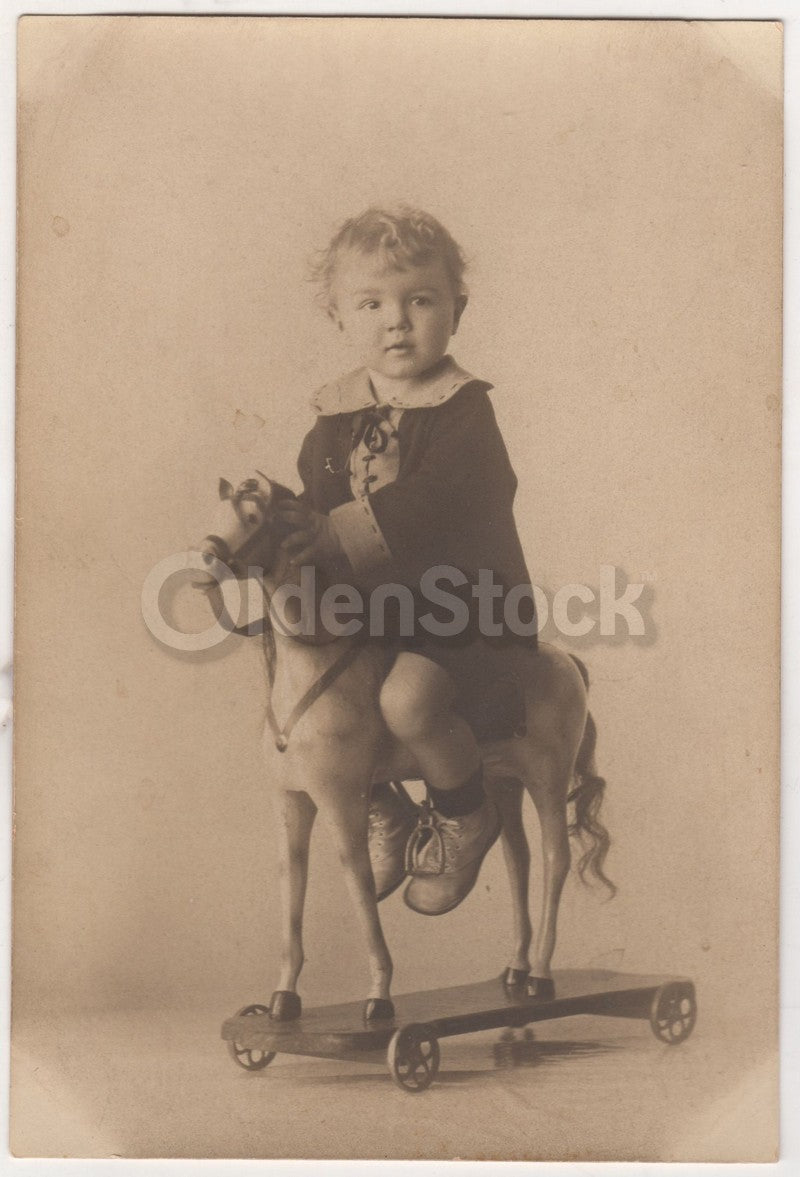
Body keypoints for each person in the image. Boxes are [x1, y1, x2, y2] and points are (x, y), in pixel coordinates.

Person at [278, 206, 537, 916]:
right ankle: (384, 807)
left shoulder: (463, 411)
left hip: (463, 605)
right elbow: (316, 497)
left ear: (458, 309)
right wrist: (290, 530)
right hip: (376, 608)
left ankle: (464, 812)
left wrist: (337, 531)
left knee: (406, 700)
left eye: (420, 300)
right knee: (322, 696)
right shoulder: (334, 415)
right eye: (371, 304)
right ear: (337, 315)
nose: (396, 322)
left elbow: (445, 497)